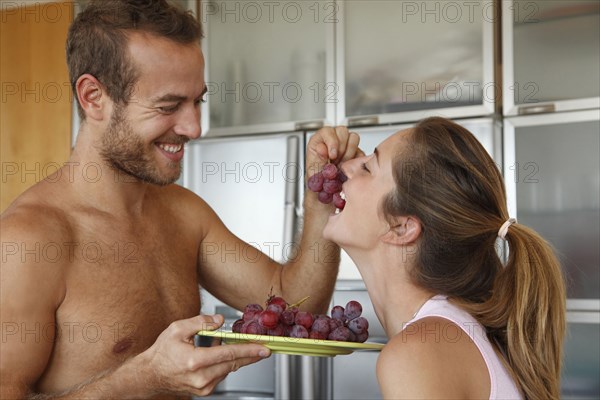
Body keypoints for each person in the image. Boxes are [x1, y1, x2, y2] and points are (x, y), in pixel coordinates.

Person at [0, 0, 360, 398]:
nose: (194, 127)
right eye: (168, 106)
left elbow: (299, 308)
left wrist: (321, 197)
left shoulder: (184, 213)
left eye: (197, 101)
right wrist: (142, 379)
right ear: (93, 97)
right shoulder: (29, 241)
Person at [323, 117, 566, 400]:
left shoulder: (418, 354)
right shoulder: (445, 336)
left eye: (367, 167)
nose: (344, 167)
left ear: (402, 227)